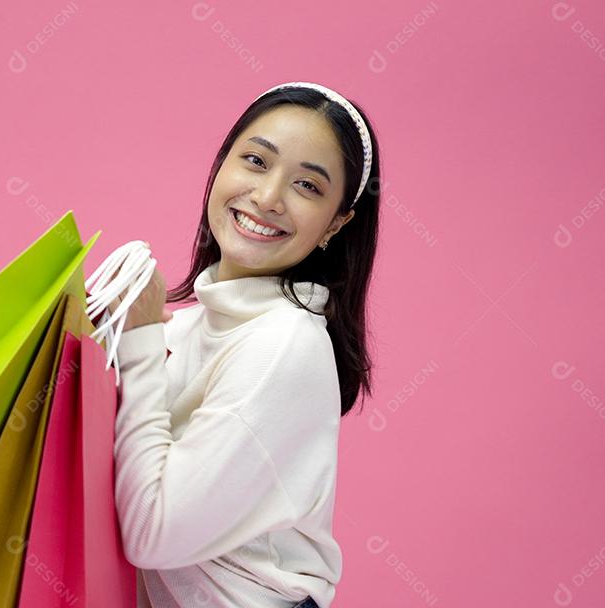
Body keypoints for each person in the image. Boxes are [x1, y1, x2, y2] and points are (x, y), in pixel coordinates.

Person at [106, 82, 382, 607]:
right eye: (256, 160)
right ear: (221, 165)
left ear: (337, 223)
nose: (268, 197)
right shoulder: (185, 329)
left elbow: (152, 535)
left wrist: (139, 341)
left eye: (307, 185)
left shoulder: (284, 346)